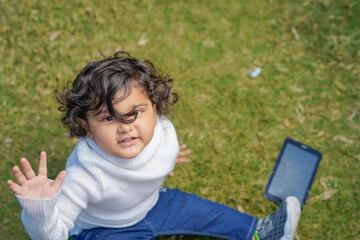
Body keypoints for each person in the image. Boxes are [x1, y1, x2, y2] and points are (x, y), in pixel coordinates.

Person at [7, 51, 301, 240]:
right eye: (108, 117)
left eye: (135, 112)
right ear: (86, 127)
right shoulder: (85, 174)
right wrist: (39, 210)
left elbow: (157, 155)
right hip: (104, 231)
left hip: (153, 203)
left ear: (156, 108)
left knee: (203, 211)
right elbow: (53, 235)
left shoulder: (162, 133)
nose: (126, 126)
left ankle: (261, 232)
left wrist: (168, 161)